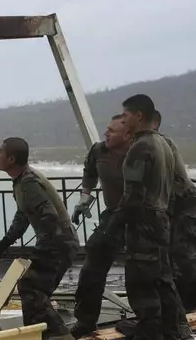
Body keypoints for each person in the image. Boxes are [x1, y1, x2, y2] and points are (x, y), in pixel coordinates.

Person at [105, 94, 184, 339]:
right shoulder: (163, 144)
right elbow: (171, 188)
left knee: (141, 279)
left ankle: (147, 329)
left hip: (143, 222)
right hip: (161, 218)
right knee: (163, 277)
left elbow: (133, 196)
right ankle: (171, 329)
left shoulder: (140, 146)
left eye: (126, 116)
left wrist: (114, 225)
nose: (124, 120)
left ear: (138, 115)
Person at [0, 138, 79, 340]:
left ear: (12, 159)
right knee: (35, 292)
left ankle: (58, 334)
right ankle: (47, 334)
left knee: (31, 288)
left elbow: (49, 217)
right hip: (58, 241)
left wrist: (41, 250)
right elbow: (23, 216)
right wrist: (5, 242)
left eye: (0, 152)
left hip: (58, 242)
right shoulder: (22, 181)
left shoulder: (29, 183)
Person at [70, 115, 131, 337]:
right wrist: (84, 197)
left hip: (139, 217)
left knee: (142, 270)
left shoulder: (140, 153)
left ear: (127, 135)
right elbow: (89, 172)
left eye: (112, 131)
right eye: (106, 129)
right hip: (112, 214)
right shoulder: (99, 151)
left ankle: (151, 320)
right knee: (92, 267)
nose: (106, 134)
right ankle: (85, 321)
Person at [152, 110, 196, 312]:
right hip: (169, 205)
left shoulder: (160, 143)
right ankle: (182, 305)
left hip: (183, 203)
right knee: (171, 258)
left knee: (184, 257)